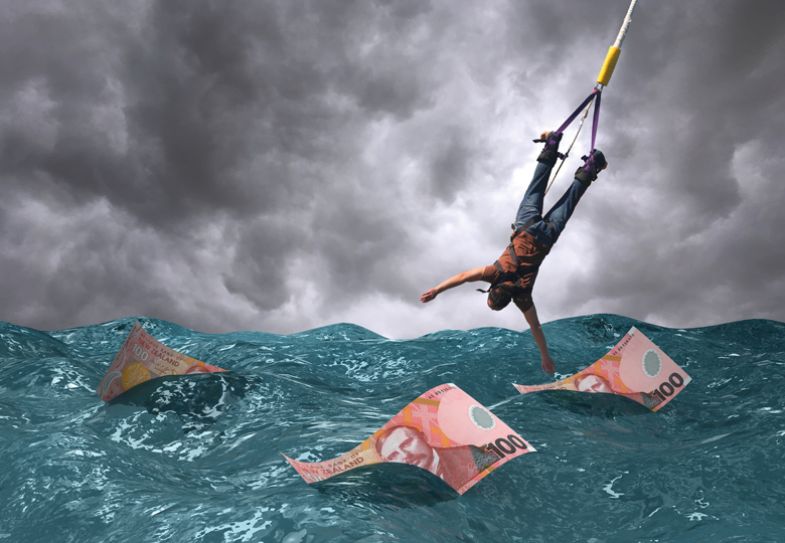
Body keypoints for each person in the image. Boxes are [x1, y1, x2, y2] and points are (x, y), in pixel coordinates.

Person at [420, 132, 607, 374]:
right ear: (491, 292)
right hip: (525, 225)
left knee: (571, 199)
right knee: (537, 184)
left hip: (547, 236)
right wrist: (436, 290)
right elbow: (464, 276)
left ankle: (593, 164)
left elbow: (536, 328)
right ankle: (552, 144)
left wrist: (546, 357)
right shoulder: (493, 274)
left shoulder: (522, 296)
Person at [375, 425, 499, 491]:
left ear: (423, 437)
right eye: (393, 455)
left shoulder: (471, 455)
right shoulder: (398, 490)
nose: (405, 456)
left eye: (407, 443)